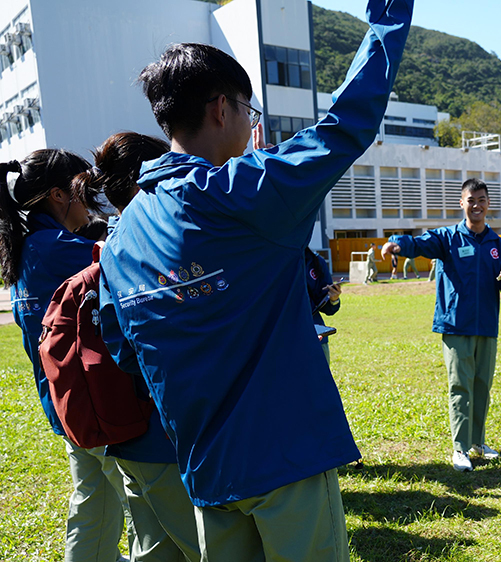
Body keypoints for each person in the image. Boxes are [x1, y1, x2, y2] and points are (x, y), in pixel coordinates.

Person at [99, 3, 412, 560]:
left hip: (205, 468)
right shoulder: (242, 193)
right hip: (284, 456)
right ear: (222, 108)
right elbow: (348, 124)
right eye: (248, 107)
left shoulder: (122, 238)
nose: (251, 121)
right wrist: (388, 21)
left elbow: (122, 347)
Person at [75, 132, 202, 562]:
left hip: (128, 437)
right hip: (166, 438)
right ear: (144, 180)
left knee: (153, 549)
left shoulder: (108, 245)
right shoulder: (150, 244)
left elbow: (120, 346)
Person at [1, 149, 132, 561]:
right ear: (59, 194)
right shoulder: (55, 248)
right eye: (84, 190)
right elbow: (129, 259)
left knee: (94, 502)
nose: (92, 199)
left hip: (67, 403)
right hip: (97, 402)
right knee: (145, 504)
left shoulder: (31, 248)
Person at [381, 178, 501, 472]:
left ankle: (478, 442)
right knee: (460, 387)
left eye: (481, 200)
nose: (477, 205)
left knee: (482, 386)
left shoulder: (499, 245)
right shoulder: (447, 238)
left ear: (488, 204)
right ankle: (460, 448)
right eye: (471, 200)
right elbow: (418, 243)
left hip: (486, 326)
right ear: (462, 203)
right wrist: (397, 243)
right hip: (456, 324)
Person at [305, 248, 342, 363]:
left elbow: (328, 308)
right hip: (280, 338)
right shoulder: (272, 259)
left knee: (319, 379)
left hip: (315, 335)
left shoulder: (315, 261)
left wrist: (333, 299)